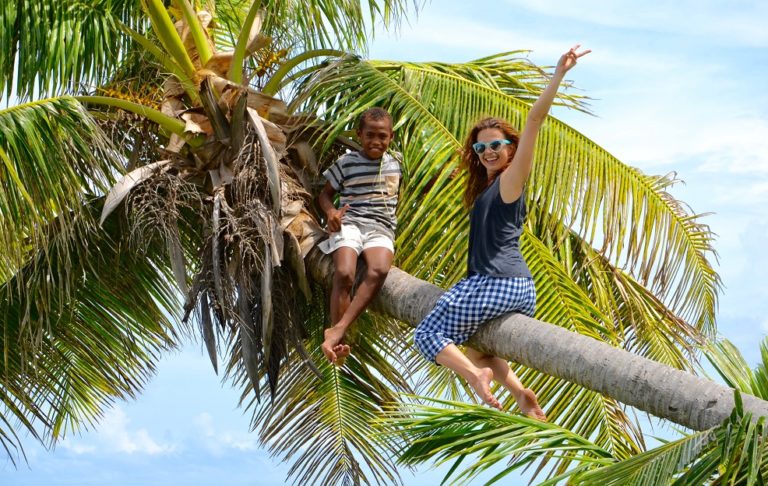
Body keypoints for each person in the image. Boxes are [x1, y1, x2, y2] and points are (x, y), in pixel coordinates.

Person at [414, 45, 591, 419]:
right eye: (481, 147)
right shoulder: (487, 190)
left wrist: (557, 74)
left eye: (496, 145)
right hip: (516, 287)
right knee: (478, 348)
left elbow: (534, 123)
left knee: (428, 335)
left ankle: (477, 378)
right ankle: (520, 393)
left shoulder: (511, 182)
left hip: (497, 284)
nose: (488, 151)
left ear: (510, 148)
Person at [317, 107, 401, 365]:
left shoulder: (397, 163)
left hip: (381, 226)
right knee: (344, 274)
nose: (376, 142)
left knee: (378, 270)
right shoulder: (347, 163)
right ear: (359, 134)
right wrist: (331, 213)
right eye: (370, 135)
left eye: (382, 136)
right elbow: (324, 195)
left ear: (391, 137)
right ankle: (339, 345)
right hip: (351, 223)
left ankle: (338, 329)